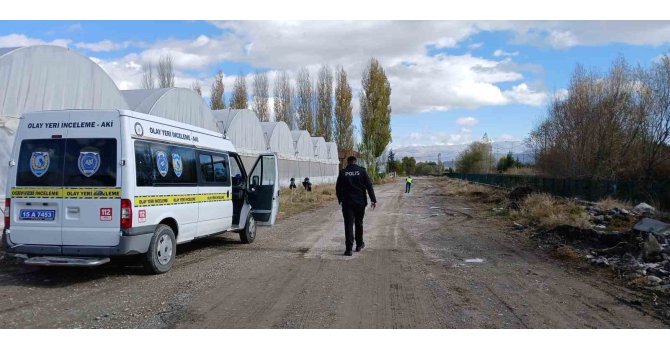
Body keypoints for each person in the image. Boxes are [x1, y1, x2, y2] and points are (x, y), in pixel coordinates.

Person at [336, 156, 377, 256]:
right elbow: (369, 186)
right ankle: (359, 245)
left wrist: (340, 200)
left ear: (348, 162)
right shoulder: (362, 171)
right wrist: (373, 200)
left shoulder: (343, 172)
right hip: (360, 203)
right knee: (359, 223)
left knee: (348, 225)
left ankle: (348, 249)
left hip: (347, 203)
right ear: (355, 162)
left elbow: (338, 188)